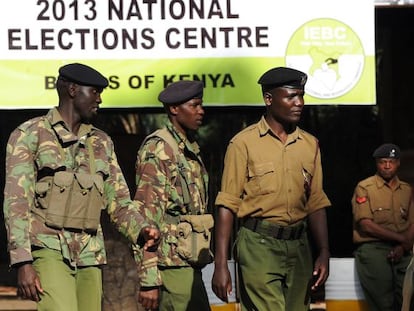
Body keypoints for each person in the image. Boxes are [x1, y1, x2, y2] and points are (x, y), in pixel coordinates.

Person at [3, 63, 160, 311]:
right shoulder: (31, 134)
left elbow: (118, 203)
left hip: (90, 253)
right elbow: (16, 203)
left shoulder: (101, 142)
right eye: (95, 92)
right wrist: (23, 261)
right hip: (48, 248)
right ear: (73, 89)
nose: (100, 99)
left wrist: (141, 229)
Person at [211, 67, 331, 311]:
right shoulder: (243, 143)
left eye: (301, 95)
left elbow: (316, 202)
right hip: (258, 247)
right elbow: (227, 203)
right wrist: (221, 264)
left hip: (299, 248)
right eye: (291, 96)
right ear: (269, 99)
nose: (299, 103)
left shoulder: (310, 145)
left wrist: (324, 251)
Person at [134, 80, 213, 311]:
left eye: (201, 104)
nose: (201, 111)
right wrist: (149, 279)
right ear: (174, 109)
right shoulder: (159, 149)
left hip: (186, 260)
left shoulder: (186, 148)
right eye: (195, 105)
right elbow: (146, 216)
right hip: (170, 263)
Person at [352, 143, 414, 311]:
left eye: (391, 161)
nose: (387, 166)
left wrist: (403, 245)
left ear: (398, 163)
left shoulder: (407, 190)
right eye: (383, 162)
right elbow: (366, 225)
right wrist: (402, 239)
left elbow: (412, 222)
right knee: (383, 302)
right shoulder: (365, 187)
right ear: (377, 163)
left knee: (408, 298)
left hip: (404, 248)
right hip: (374, 247)